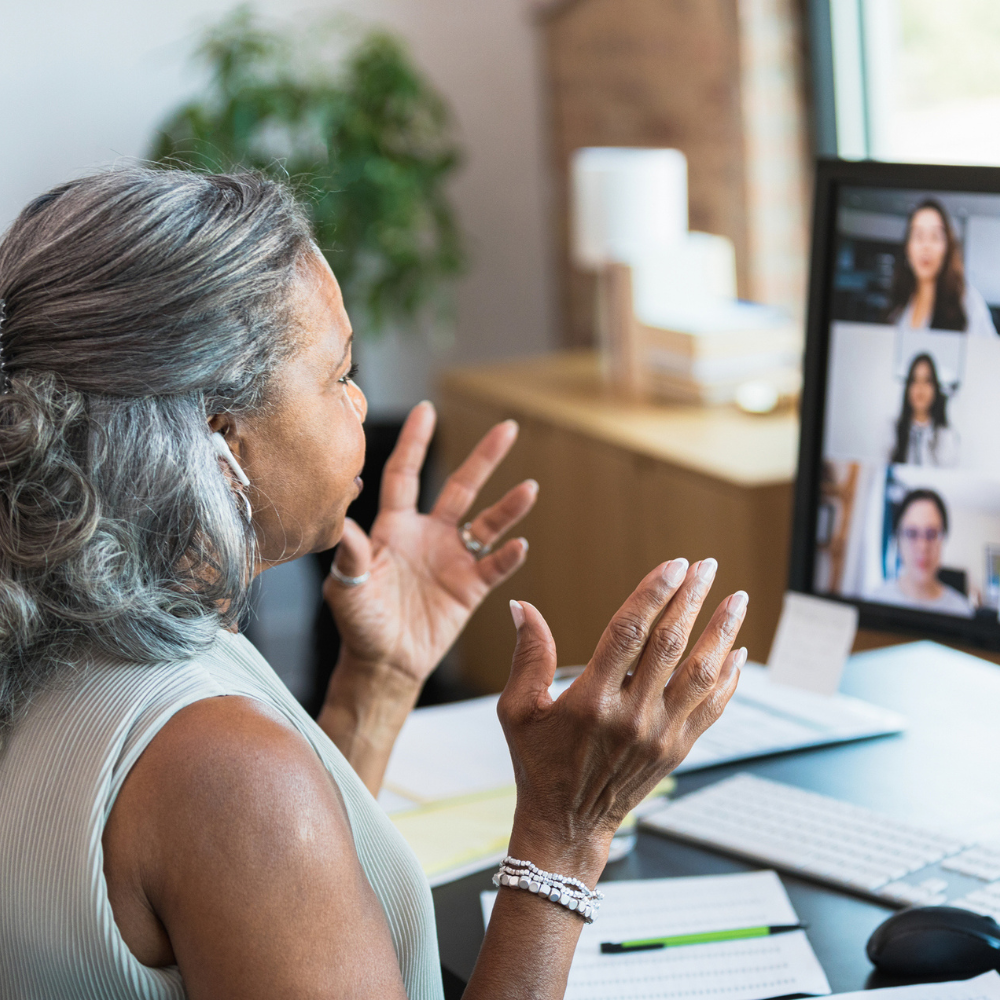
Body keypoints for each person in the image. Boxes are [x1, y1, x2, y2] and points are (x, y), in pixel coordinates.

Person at [0, 168, 748, 1000]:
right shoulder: (219, 766)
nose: (360, 406)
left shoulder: (67, 641)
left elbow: (249, 883)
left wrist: (380, 681)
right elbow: (242, 816)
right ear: (220, 440)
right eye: (337, 373)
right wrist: (566, 832)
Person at [887, 198, 997, 337]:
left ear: (947, 248)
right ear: (907, 249)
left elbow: (988, 353)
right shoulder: (899, 303)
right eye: (918, 236)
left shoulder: (966, 302)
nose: (926, 246)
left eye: (934, 236)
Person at [870, 488, 973, 617]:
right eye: (912, 533)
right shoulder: (876, 601)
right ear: (898, 539)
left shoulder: (962, 611)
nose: (922, 546)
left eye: (931, 534)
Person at [889, 353, 959, 467]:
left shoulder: (946, 435)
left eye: (927, 381)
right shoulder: (892, 429)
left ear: (935, 388)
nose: (920, 388)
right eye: (914, 380)